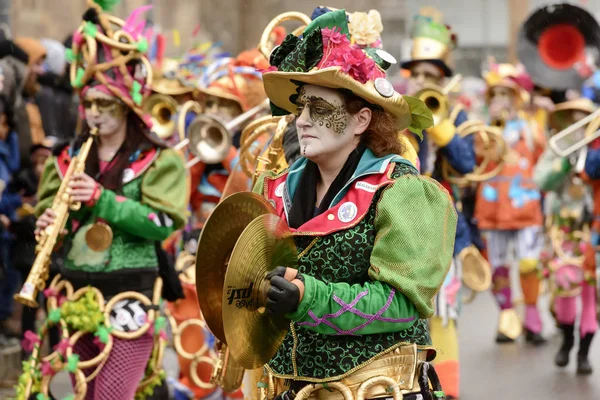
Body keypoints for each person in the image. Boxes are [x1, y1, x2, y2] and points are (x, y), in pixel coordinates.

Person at [251, 9, 457, 399]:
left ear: (362, 119)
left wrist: (307, 298)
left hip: (378, 390)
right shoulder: (272, 186)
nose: (302, 121)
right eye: (301, 106)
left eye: (321, 109)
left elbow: (400, 304)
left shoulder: (403, 192)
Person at [15, 2, 187, 399]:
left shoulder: (159, 160)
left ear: (126, 105)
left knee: (111, 395)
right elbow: (45, 209)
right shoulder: (65, 159)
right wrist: (46, 225)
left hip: (131, 294)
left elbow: (164, 222)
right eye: (88, 104)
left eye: (104, 104)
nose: (94, 113)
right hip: (73, 294)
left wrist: (101, 199)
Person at [400, 8, 476, 398]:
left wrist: (442, 127)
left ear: (443, 80)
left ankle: (447, 392)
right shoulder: (395, 111)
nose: (423, 81)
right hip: (402, 225)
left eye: (431, 75)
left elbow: (467, 163)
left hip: (443, 226)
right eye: (418, 74)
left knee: (443, 317)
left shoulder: (456, 113)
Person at [476, 61, 547, 345]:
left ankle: (532, 315)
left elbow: (544, 161)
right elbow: (478, 161)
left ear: (517, 97)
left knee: (529, 264)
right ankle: (507, 317)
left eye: (506, 94)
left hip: (526, 207)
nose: (500, 100)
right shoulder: (483, 129)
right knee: (499, 267)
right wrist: (491, 130)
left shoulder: (531, 127)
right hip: (493, 209)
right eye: (496, 95)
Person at [533, 98, 596, 375]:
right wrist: (564, 164)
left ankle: (584, 352)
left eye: (583, 118)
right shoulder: (557, 149)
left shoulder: (595, 150)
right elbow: (540, 180)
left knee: (590, 292)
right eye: (572, 118)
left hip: (589, 229)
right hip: (561, 228)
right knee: (565, 289)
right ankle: (567, 341)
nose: (578, 125)